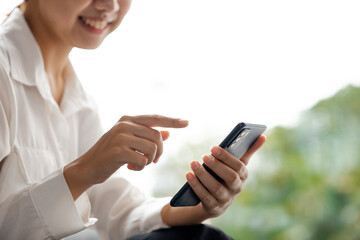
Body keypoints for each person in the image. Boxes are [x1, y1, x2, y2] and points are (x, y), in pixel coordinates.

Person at [0, 0, 266, 239]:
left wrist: (200, 204)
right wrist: (83, 170)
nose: (110, 5)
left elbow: (116, 209)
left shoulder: (79, 100)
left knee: (200, 236)